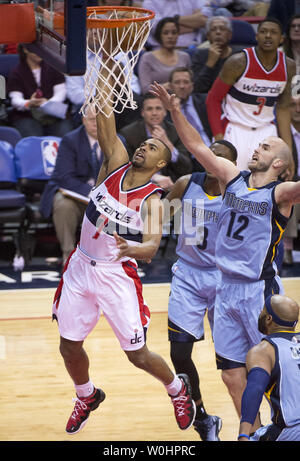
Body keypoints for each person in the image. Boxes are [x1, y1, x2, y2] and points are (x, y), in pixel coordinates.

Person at [52, 54, 196, 435]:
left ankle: (178, 390)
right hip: (81, 266)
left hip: (116, 273)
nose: (142, 148)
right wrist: (103, 70)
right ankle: (86, 394)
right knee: (68, 345)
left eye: (152, 148)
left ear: (161, 163)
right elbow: (103, 113)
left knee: (137, 355)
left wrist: (131, 249)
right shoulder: (114, 162)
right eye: (143, 144)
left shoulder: (152, 199)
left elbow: (150, 247)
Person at [150, 80, 300, 434]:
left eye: (264, 146)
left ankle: (291, 425)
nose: (256, 148)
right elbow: (196, 145)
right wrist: (175, 110)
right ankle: (256, 431)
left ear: (278, 162)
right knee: (232, 373)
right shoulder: (233, 178)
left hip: (257, 290)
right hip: (224, 289)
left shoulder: (280, 194)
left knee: (274, 364)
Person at [164, 139, 237, 441]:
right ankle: (204, 418)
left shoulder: (238, 193)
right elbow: (156, 218)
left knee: (232, 360)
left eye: (220, 154)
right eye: (210, 149)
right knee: (179, 353)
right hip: (188, 276)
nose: (212, 154)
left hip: (225, 279)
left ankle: (265, 418)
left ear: (231, 165)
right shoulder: (185, 183)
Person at [205, 18, 296, 175]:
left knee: (267, 187)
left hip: (266, 130)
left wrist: (289, 153)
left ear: (281, 39)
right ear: (256, 37)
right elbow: (212, 99)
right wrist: (220, 140)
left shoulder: (289, 66)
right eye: (263, 32)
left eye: (273, 32)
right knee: (228, 183)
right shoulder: (238, 62)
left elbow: (283, 108)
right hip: (235, 128)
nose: (268, 36)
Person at [39, 106, 103, 266]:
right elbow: (64, 177)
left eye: (100, 120)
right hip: (76, 195)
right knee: (63, 204)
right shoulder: (70, 140)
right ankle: (68, 255)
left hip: (104, 199)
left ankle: (110, 256)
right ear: (83, 120)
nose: (96, 124)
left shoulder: (117, 140)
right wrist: (91, 192)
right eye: (91, 120)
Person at [238, 294, 300, 441]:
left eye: (263, 310)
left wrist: (243, 435)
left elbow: (255, 390)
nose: (260, 312)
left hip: (291, 431)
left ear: (268, 319)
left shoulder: (264, 350)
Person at [119, 92, 193, 191]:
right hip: (137, 186)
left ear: (165, 112)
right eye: (149, 109)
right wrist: (153, 178)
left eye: (158, 108)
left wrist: (167, 144)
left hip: (170, 188)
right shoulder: (128, 134)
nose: (154, 113)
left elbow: (186, 168)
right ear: (142, 113)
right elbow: (125, 168)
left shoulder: (176, 132)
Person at [7, 44, 73, 138]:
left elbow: (61, 93)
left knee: (65, 133)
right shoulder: (17, 73)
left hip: (54, 114)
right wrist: (29, 103)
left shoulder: (53, 67)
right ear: (25, 49)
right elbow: (16, 100)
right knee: (32, 135)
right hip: (27, 115)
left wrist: (46, 103)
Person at [168, 66, 212, 171]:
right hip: (188, 159)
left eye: (186, 82)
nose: (182, 86)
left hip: (212, 151)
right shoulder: (164, 109)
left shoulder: (205, 101)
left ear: (192, 86)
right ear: (170, 86)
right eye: (177, 82)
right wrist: (174, 111)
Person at [137, 17, 191, 95]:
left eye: (174, 32)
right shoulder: (147, 58)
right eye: (166, 33)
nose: (170, 36)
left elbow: (190, 84)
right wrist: (164, 87)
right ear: (159, 36)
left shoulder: (185, 57)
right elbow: (145, 89)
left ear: (178, 35)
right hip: (157, 100)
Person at [142, 0, 212, 49]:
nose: (172, 33)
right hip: (161, 50)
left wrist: (176, 19)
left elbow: (204, 20)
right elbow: (159, 30)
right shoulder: (150, 2)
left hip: (195, 48)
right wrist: (194, 26)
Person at [191, 16, 234, 94]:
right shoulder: (200, 55)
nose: (218, 32)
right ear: (208, 36)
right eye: (213, 29)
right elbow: (197, 88)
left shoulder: (240, 55)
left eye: (222, 29)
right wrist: (210, 63)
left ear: (229, 35)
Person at [282, 95, 300, 265]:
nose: (298, 110)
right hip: (292, 181)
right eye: (293, 105)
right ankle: (286, 248)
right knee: (288, 194)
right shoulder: (282, 133)